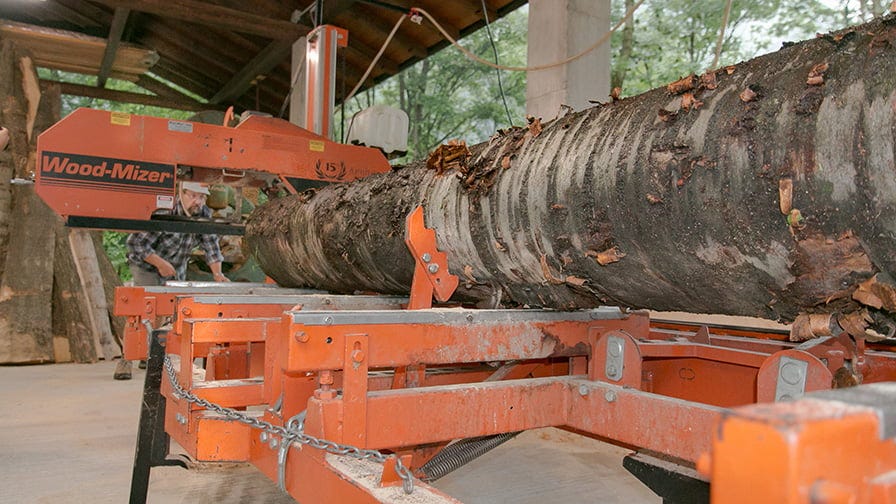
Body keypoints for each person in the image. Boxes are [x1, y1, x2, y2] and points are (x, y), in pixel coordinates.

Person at [113, 181, 229, 380]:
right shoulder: (164, 211)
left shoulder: (203, 214)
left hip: (176, 266)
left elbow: (211, 246)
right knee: (142, 311)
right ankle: (126, 359)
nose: (197, 202)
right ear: (181, 194)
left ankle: (150, 352)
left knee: (170, 311)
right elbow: (135, 244)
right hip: (146, 263)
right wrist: (159, 264)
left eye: (201, 197)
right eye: (193, 196)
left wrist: (218, 275)